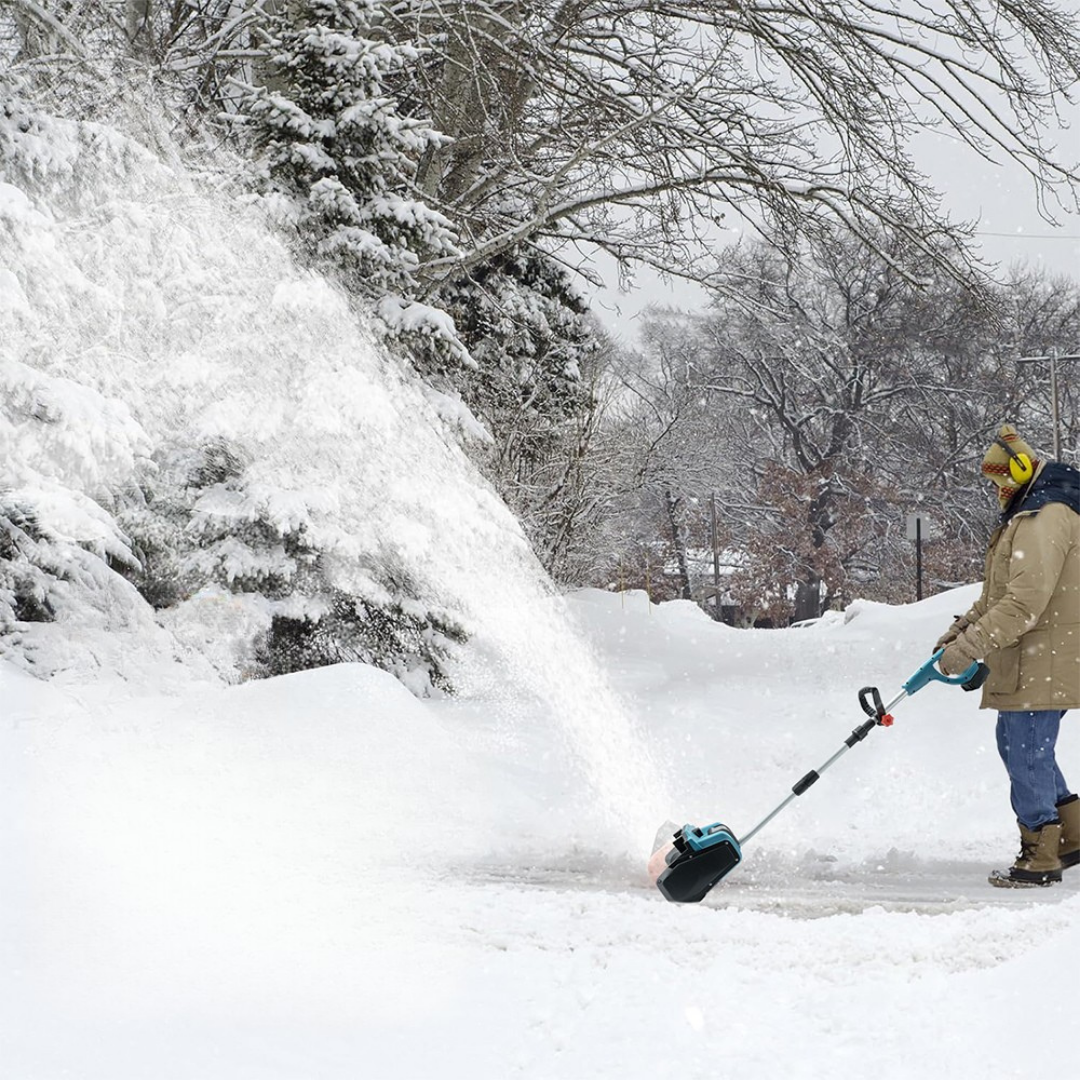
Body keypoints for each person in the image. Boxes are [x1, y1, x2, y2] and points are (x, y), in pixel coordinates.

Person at [935, 424, 1080, 887]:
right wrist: (958, 634)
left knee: (1026, 750)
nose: (996, 489)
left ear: (1020, 470)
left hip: (1043, 657)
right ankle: (1070, 834)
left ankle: (1040, 854)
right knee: (1022, 745)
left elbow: (1023, 603)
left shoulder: (1043, 517)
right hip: (1036, 657)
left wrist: (969, 649)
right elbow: (997, 596)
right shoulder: (1030, 512)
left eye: (999, 479)